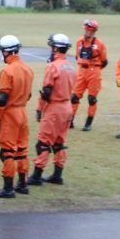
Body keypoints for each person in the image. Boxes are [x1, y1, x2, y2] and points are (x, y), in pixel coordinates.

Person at [27, 34, 76, 186]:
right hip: (67, 107)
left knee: (43, 143)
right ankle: (57, 175)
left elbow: (47, 92)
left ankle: (36, 176)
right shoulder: (71, 67)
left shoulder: (52, 66)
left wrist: (39, 109)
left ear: (55, 48)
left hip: (54, 108)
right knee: (59, 143)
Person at [0, 35, 34, 198]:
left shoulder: (7, 71)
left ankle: (8, 188)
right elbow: (29, 95)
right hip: (22, 111)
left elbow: (2, 99)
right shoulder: (28, 69)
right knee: (22, 150)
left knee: (7, 151)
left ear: (7, 52)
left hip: (10, 113)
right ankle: (23, 184)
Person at [71, 19, 108, 131]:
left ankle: (88, 123)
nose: (87, 31)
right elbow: (77, 57)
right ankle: (70, 120)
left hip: (94, 72)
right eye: (86, 29)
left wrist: (95, 69)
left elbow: (104, 61)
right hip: (81, 71)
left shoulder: (99, 44)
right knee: (74, 97)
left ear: (94, 31)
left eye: (89, 30)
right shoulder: (79, 42)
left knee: (92, 98)